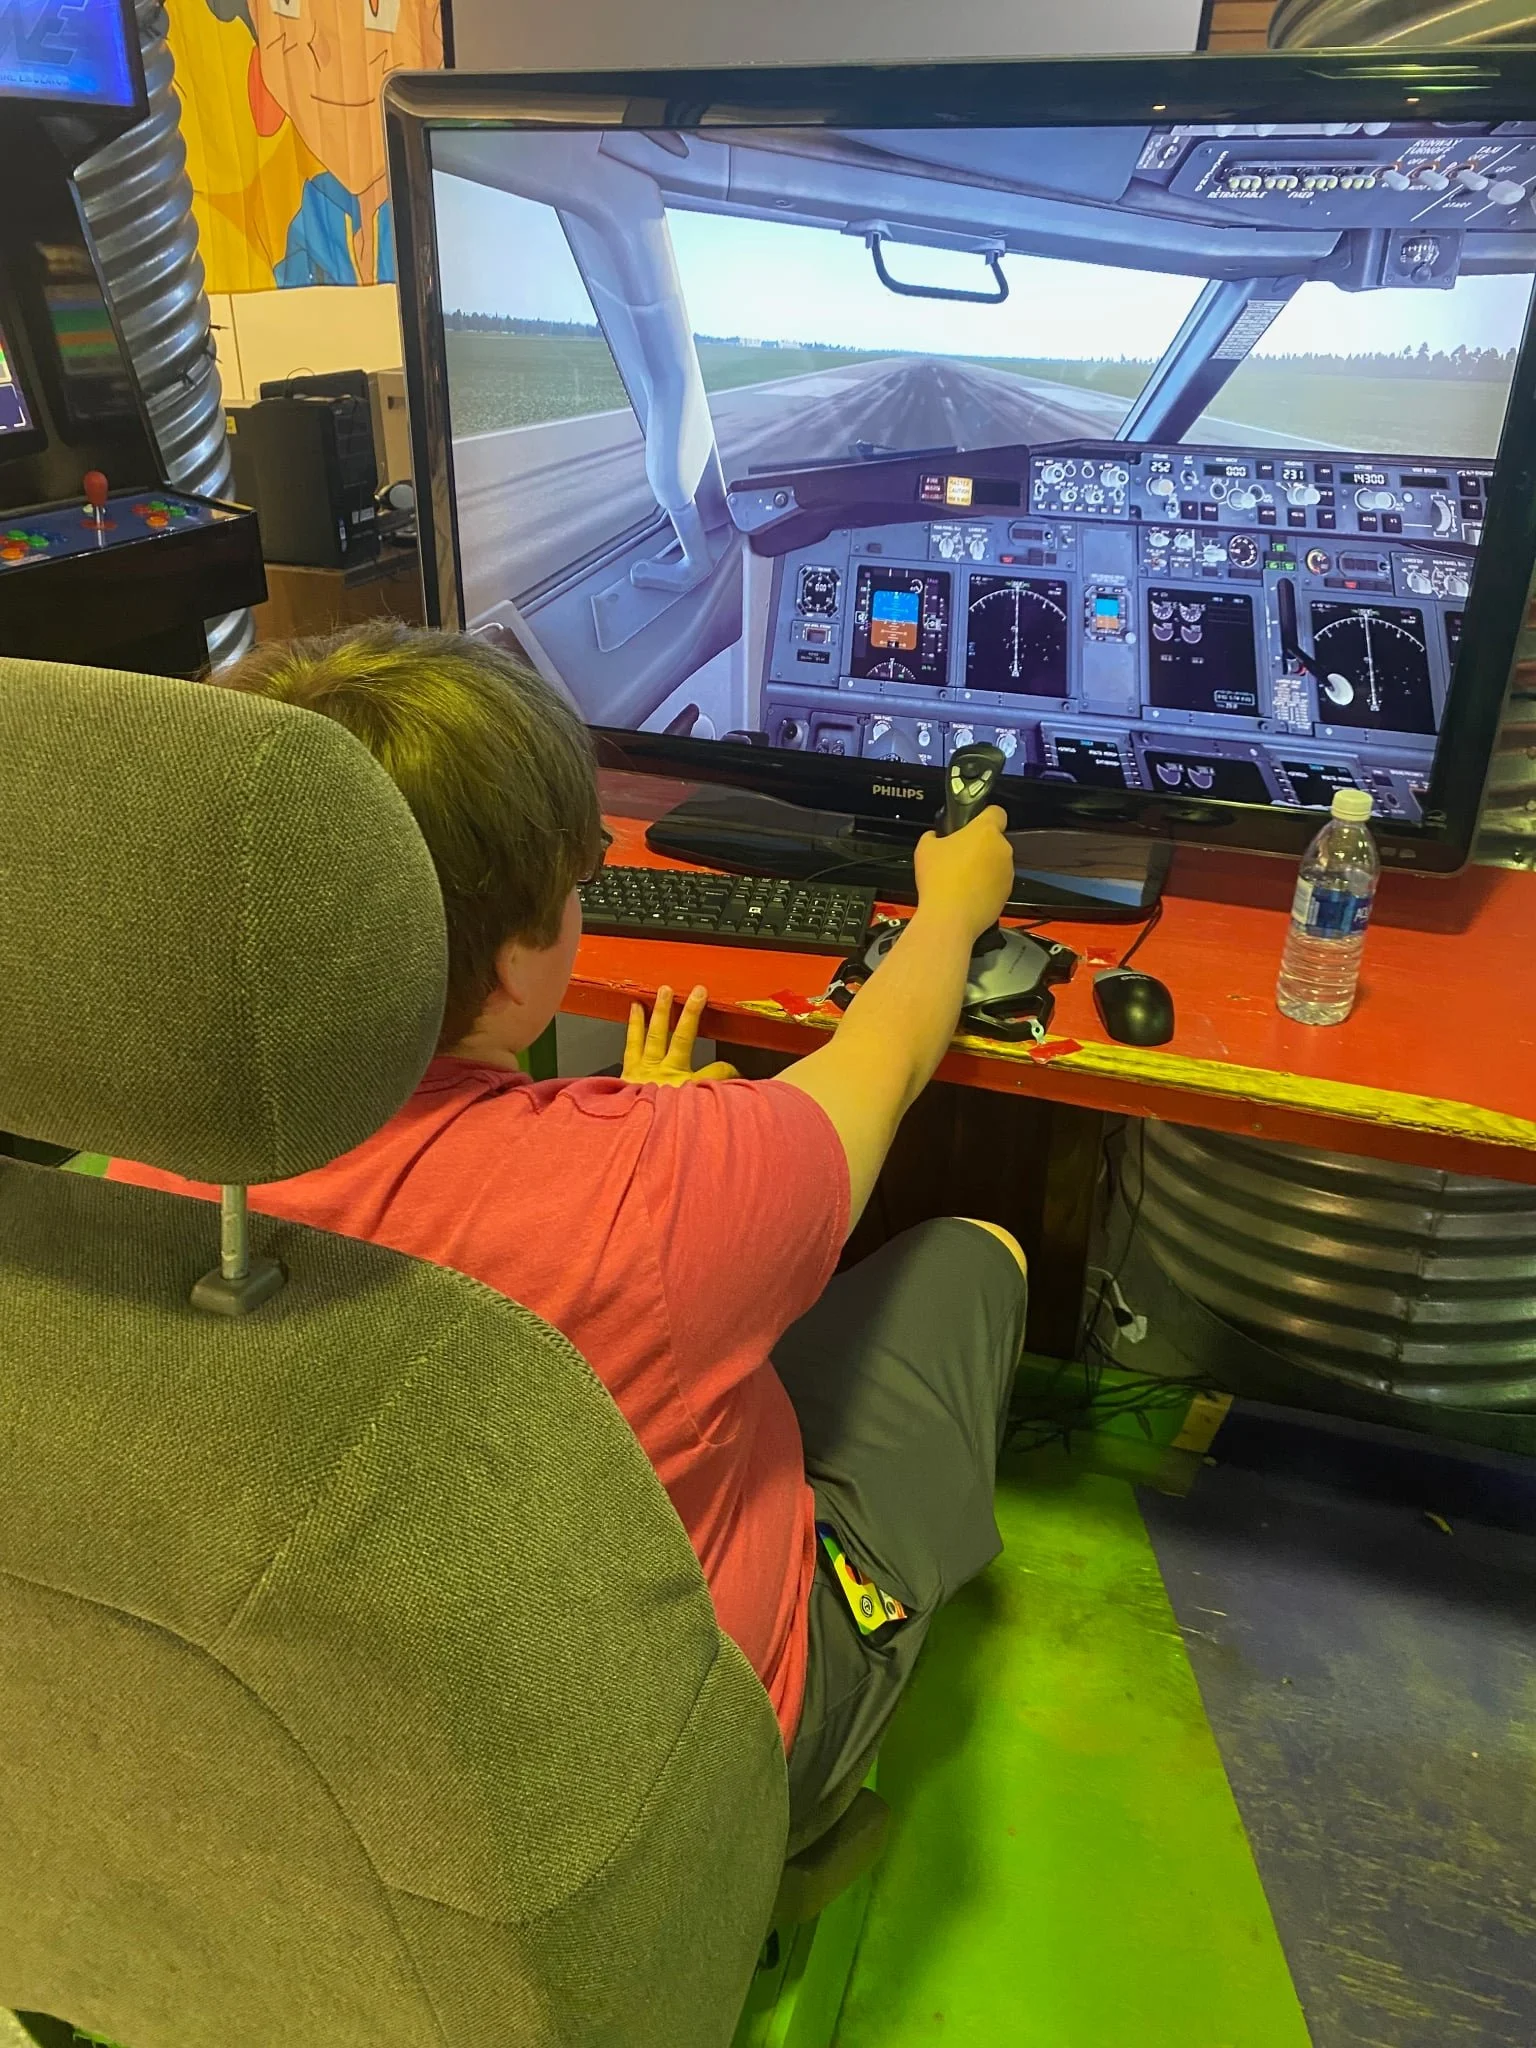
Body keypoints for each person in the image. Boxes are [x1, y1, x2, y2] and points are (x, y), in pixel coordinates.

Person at [109, 625, 1027, 1831]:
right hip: (685, 1778)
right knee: (976, 1258)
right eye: (578, 878)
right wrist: (952, 908)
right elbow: (887, 1054)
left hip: (342, 1762)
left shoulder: (138, 1181)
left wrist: (635, 1123)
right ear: (510, 966)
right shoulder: (669, 1190)